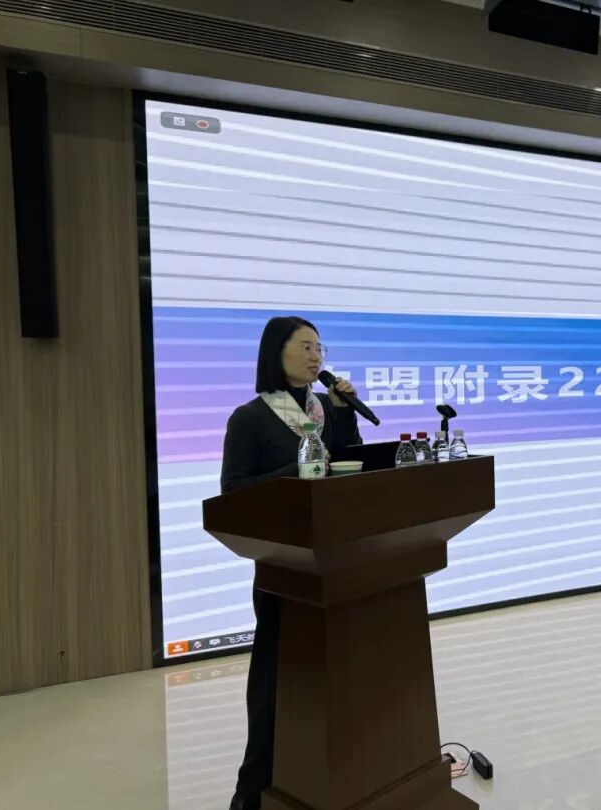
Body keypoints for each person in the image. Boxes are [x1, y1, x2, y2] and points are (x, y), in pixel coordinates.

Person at [222, 316, 362, 810]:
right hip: (284, 570)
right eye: (304, 347)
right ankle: (254, 791)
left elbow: (350, 464)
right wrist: (297, 470)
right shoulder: (251, 418)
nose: (315, 356)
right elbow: (234, 492)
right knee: (275, 680)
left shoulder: (325, 409)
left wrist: (346, 414)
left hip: (336, 561)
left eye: (319, 348)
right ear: (274, 352)